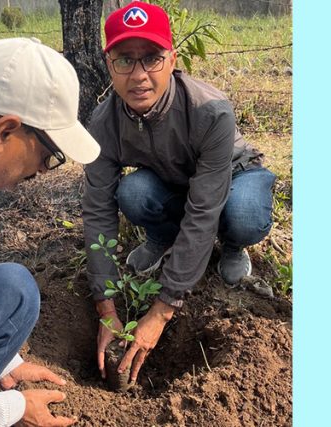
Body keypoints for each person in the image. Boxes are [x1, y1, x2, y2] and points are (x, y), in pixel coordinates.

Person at [82, 2, 276, 385]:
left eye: (152, 59)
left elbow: (204, 211)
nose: (139, 76)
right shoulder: (104, 123)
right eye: (125, 60)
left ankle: (233, 246)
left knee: (244, 215)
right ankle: (163, 237)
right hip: (174, 181)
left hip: (234, 174)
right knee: (134, 192)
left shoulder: (210, 111)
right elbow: (97, 208)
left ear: (172, 60)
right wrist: (106, 307)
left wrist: (162, 309)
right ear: (109, 65)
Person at [0, 38, 100, 426]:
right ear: (3, 132)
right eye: (49, 156)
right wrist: (15, 410)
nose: (44, 170)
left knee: (12, 290)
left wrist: (2, 363)